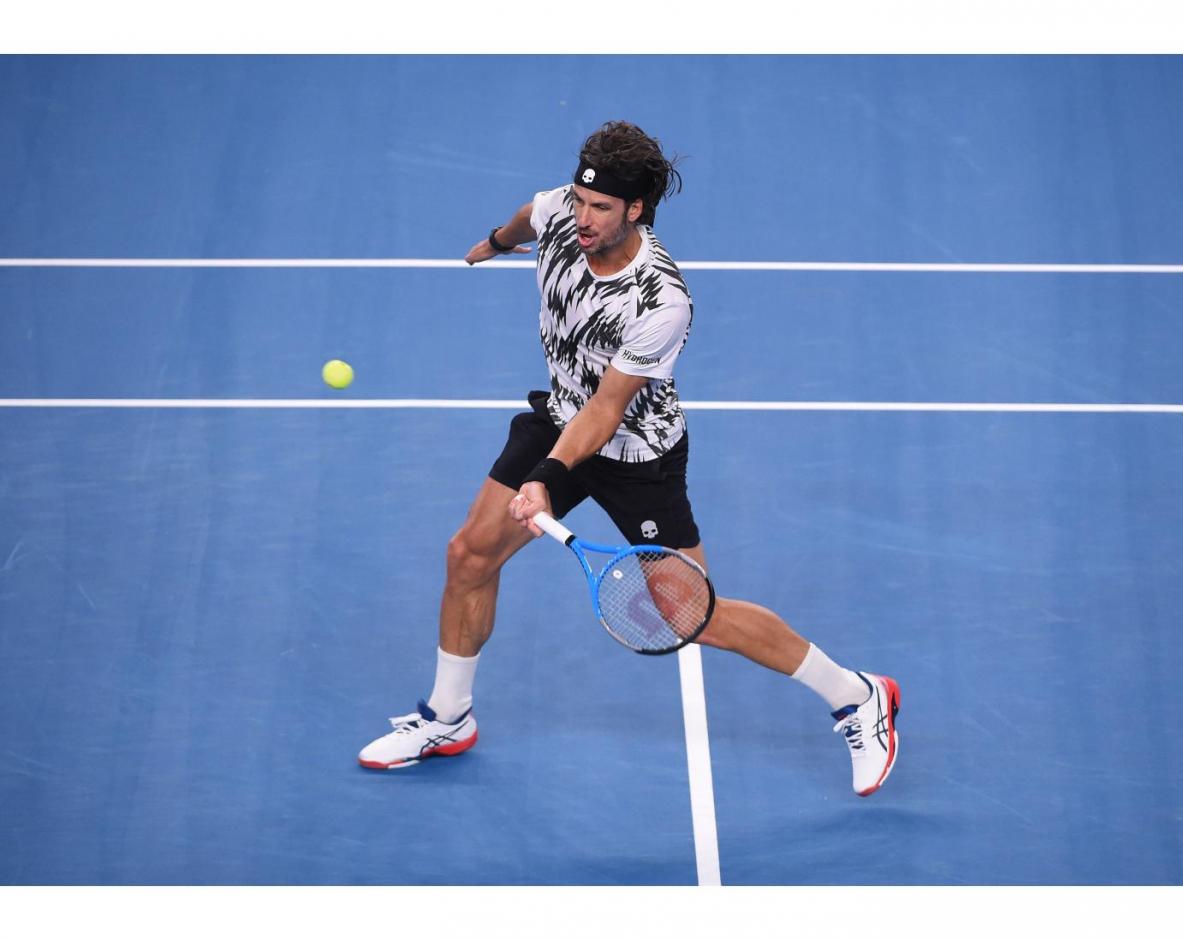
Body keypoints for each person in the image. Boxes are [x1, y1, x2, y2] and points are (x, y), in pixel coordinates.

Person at [358, 121, 900, 797]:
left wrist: (544, 482)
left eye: (602, 209)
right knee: (470, 554)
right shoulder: (561, 209)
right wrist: (498, 243)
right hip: (559, 414)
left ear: (636, 209)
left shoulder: (660, 300)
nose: (583, 219)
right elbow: (532, 215)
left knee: (689, 616)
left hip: (637, 453)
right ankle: (448, 717)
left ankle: (858, 695)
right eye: (581, 202)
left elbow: (607, 410)